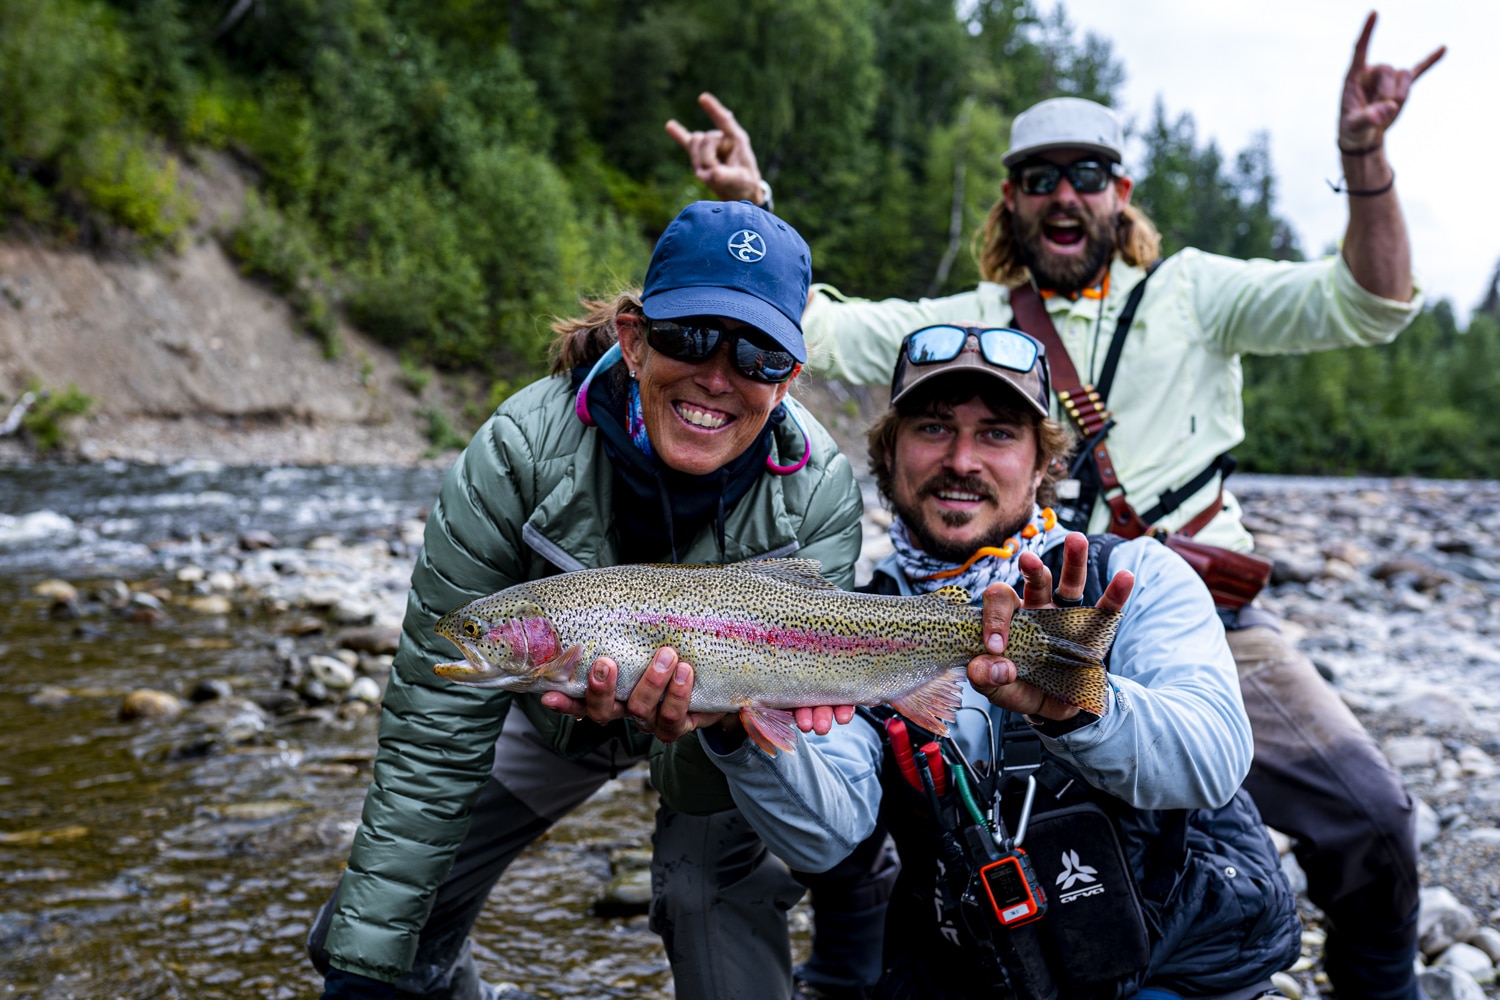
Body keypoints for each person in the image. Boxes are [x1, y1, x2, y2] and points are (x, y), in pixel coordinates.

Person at [666, 13, 1443, 996]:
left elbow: (1367, 304)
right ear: (1012, 200)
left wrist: (1364, 161)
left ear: (1120, 194)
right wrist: (752, 208)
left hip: (1184, 607)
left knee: (1370, 817)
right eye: (1040, 178)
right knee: (889, 833)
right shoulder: (964, 323)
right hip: (974, 603)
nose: (1063, 194)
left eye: (1085, 174)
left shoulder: (1198, 292)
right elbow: (810, 323)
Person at [306, 199, 869, 999]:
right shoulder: (519, 451)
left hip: (719, 729)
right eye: (691, 336)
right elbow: (432, 736)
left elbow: (791, 767)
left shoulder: (818, 493)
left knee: (709, 895)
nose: (717, 375)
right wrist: (367, 970)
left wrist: (718, 734)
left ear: (789, 381)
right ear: (635, 339)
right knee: (373, 937)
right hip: (551, 712)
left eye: (757, 356)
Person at [644, 326, 1301, 997]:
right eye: (932, 428)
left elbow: (1216, 763)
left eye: (996, 433)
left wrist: (1083, 706)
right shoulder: (850, 626)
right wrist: (733, 727)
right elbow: (826, 840)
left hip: (1180, 959)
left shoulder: (1133, 576)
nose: (961, 459)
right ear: (889, 453)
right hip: (988, 966)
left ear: (1044, 463)